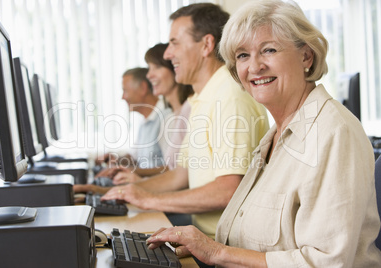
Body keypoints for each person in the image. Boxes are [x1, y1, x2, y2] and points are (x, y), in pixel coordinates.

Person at [145, 0, 381, 267]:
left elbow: (325, 262)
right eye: (243, 55)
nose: (254, 67)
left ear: (306, 56)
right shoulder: (276, 135)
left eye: (268, 50)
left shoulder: (334, 133)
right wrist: (202, 248)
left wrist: (215, 252)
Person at [101, 2, 269, 240]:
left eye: (174, 43)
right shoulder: (202, 97)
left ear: (206, 45)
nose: (168, 54)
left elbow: (229, 189)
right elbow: (181, 174)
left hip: (226, 245)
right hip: (206, 235)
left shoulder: (228, 96)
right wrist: (132, 191)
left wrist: (149, 199)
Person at [105, 43, 194, 185]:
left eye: (156, 67)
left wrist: (134, 173)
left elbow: (172, 170)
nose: (149, 75)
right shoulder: (151, 121)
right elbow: (138, 158)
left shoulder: (173, 116)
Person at [91, 67, 172, 176]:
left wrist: (129, 171)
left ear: (143, 88)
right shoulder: (145, 121)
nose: (123, 97)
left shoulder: (167, 119)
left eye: (125, 91)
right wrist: (117, 160)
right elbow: (135, 157)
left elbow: (172, 169)